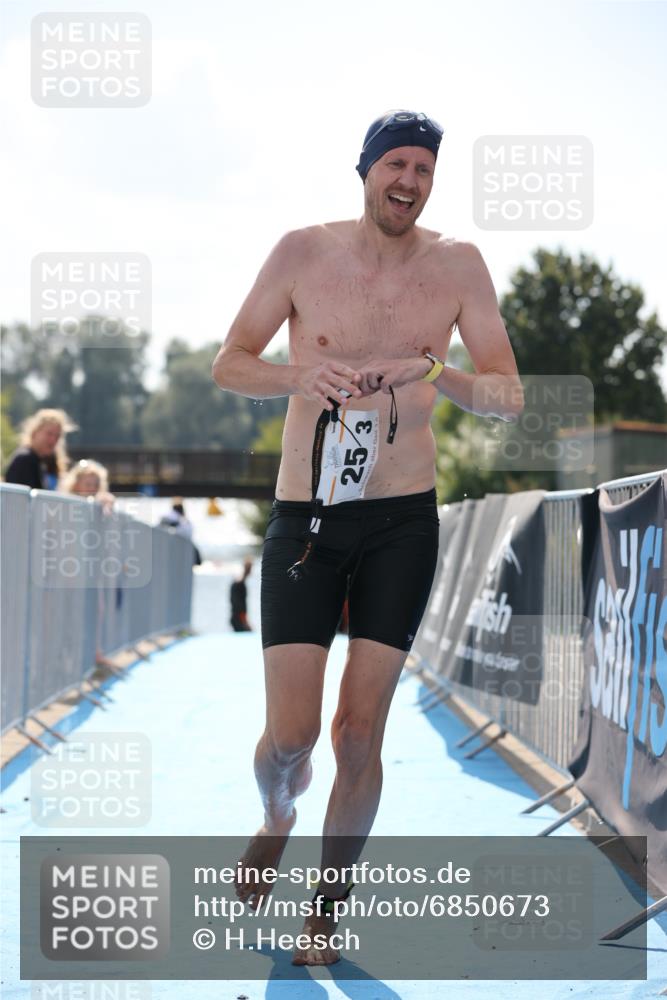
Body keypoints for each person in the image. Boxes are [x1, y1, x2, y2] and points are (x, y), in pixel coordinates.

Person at [211, 109, 524, 966]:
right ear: (365, 170)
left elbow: (507, 394)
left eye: (424, 169)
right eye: (397, 164)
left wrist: (430, 368)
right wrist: (296, 374)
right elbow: (229, 361)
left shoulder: (458, 266)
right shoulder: (301, 253)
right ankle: (276, 816)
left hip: (400, 520)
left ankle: (326, 910)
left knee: (359, 734)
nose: (410, 181)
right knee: (293, 737)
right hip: (306, 520)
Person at [4, 408, 76, 490]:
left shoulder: (40, 461)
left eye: (57, 436)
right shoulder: (25, 459)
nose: (53, 440)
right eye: (49, 434)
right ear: (35, 432)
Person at [230, 558, 253, 631]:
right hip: (238, 618)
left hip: (237, 617)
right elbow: (239, 605)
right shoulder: (239, 584)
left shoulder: (238, 582)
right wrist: (245, 621)